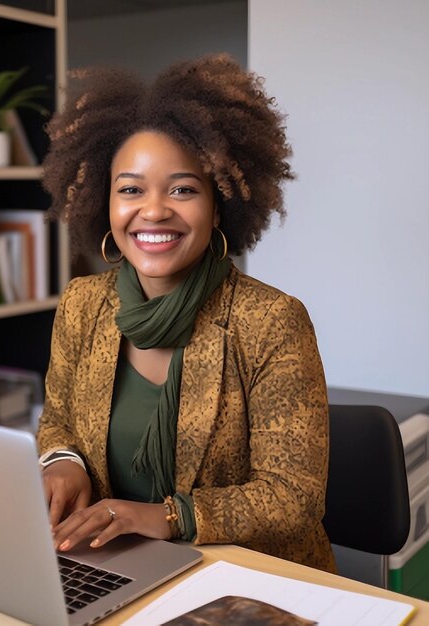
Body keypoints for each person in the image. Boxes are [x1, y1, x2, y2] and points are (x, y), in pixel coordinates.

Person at [37, 54, 336, 573]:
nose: (153, 211)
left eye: (182, 189)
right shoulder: (83, 304)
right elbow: (58, 419)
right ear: (103, 202)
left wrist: (168, 517)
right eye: (130, 189)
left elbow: (293, 497)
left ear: (218, 205)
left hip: (242, 580)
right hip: (110, 566)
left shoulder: (270, 321)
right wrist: (62, 461)